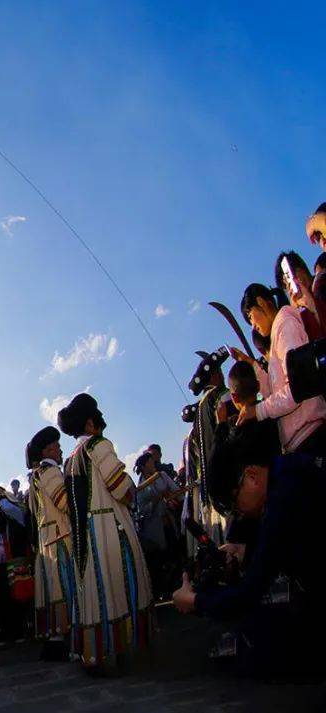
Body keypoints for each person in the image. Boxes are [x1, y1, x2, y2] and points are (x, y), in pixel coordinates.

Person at [173, 425, 323, 680]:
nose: (237, 512)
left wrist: (195, 601)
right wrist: (244, 548)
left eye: (233, 502)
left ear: (251, 476)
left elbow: (249, 593)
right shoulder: (290, 473)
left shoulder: (282, 502)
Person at [57, 393, 152, 670]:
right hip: (109, 528)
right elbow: (120, 487)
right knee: (118, 584)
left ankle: (96, 652)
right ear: (90, 424)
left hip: (85, 534)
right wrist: (132, 491)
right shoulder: (98, 446)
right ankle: (122, 647)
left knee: (96, 591)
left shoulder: (71, 458)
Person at [232, 282, 326, 455]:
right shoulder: (277, 335)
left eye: (250, 317)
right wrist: (253, 365)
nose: (253, 326)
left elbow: (296, 390)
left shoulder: (285, 326)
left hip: (311, 437)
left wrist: (258, 410)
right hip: (302, 440)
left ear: (261, 302)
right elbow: (274, 393)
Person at [26, 426, 74, 656]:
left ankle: (54, 638)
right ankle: (68, 636)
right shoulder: (51, 472)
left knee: (51, 588)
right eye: (56, 446)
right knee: (64, 586)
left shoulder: (36, 475)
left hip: (47, 537)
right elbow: (65, 502)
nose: (60, 449)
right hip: (60, 537)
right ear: (47, 450)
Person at [186, 348, 232, 546]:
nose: (222, 375)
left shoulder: (200, 410)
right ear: (214, 375)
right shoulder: (221, 396)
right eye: (220, 372)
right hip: (230, 480)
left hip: (211, 487)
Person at [0, 485, 31, 645]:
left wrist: (1, 499)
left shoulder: (14, 513)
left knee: (16, 596)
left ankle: (18, 631)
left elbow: (14, 514)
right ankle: (1, 633)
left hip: (14, 560)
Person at [133, 452, 181, 599]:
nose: (153, 464)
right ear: (143, 466)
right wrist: (154, 501)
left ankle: (178, 586)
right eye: (150, 462)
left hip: (168, 521)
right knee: (159, 558)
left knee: (175, 552)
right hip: (153, 528)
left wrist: (171, 497)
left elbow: (177, 492)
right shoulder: (140, 487)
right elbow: (140, 510)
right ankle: (163, 590)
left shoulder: (162, 476)